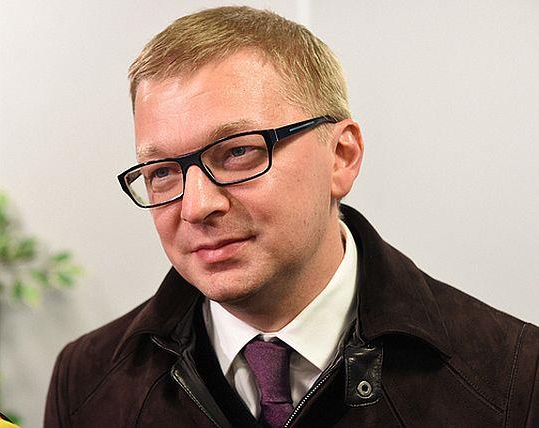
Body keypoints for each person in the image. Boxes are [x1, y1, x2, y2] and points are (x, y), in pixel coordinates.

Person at [44, 6, 538, 427]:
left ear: (341, 157)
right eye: (162, 173)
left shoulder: (514, 380)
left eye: (238, 152)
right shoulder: (85, 383)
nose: (195, 206)